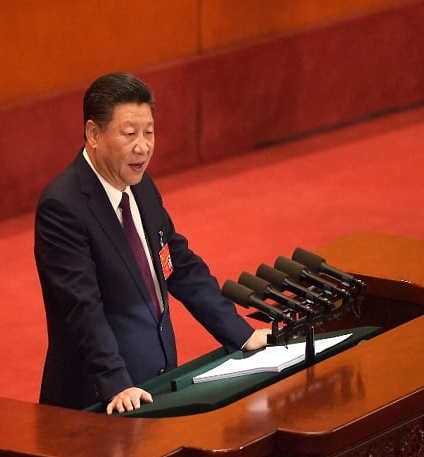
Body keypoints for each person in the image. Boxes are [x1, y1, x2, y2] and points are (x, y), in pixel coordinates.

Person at [35, 72, 269, 414]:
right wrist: (116, 382)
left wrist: (240, 333)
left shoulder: (140, 187)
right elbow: (81, 307)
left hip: (157, 386)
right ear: (93, 134)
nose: (142, 146)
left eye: (149, 132)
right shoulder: (63, 206)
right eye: (129, 134)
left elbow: (177, 264)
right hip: (100, 400)